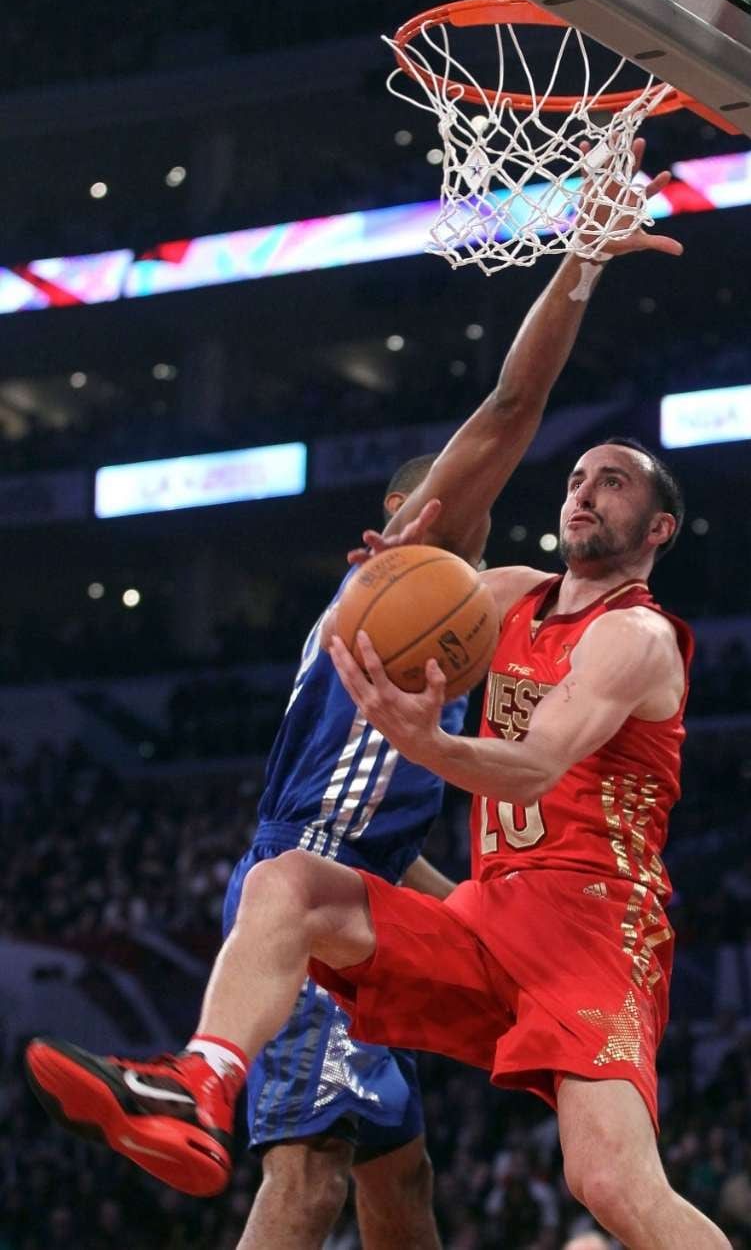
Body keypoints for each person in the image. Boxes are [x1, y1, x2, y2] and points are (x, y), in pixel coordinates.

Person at [25, 144, 687, 1250]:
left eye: (605, 481)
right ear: (402, 529)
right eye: (426, 506)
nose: (445, 510)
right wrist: (578, 255)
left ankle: (201, 1080)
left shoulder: (501, 613)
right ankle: (199, 1086)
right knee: (315, 1172)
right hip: (341, 875)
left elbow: (487, 779)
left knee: (406, 1177)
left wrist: (429, 758)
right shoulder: (436, 590)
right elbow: (510, 406)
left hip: (495, 900)